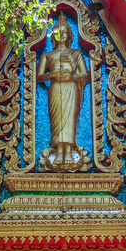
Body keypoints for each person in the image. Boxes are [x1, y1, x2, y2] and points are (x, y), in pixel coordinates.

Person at [37, 13, 89, 168]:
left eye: (64, 32)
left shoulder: (77, 54)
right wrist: (54, 74)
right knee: (58, 119)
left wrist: (72, 77)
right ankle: (59, 151)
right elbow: (39, 77)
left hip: (71, 88)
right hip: (55, 87)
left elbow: (85, 74)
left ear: (69, 35)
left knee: (70, 119)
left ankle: (68, 151)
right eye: (57, 32)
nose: (60, 35)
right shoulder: (47, 55)